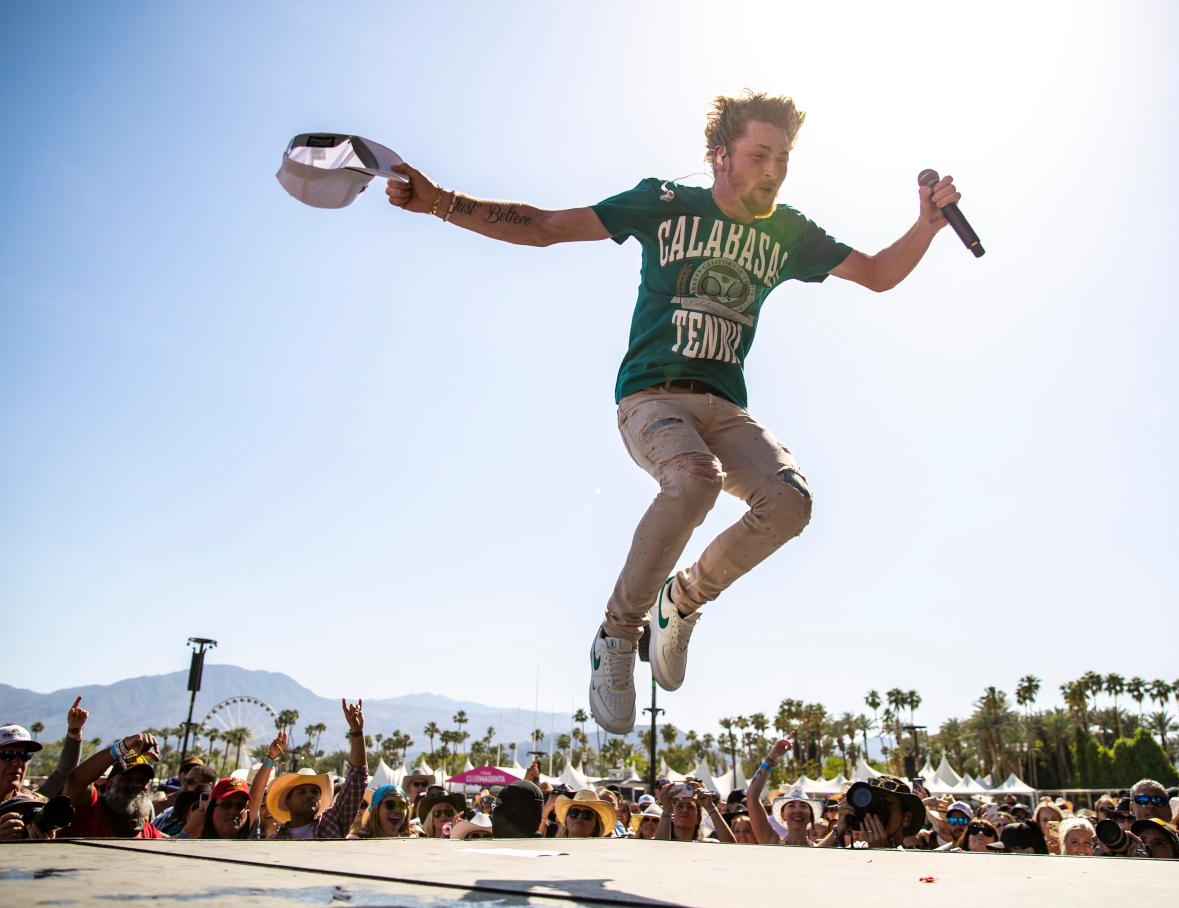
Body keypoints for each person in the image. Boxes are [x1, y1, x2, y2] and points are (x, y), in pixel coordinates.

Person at [384, 92, 964, 734]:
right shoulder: (665, 204)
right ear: (719, 157)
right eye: (759, 155)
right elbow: (544, 227)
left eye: (784, 158)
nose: (773, 170)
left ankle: (681, 602)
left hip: (726, 406)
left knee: (791, 504)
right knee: (695, 478)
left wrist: (926, 226)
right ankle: (615, 635)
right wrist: (439, 201)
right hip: (652, 397)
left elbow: (879, 274)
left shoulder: (788, 230)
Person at [265, 699, 368, 840]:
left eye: (315, 791)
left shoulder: (332, 822)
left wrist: (357, 732)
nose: (310, 795)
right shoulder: (274, 840)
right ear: (287, 801)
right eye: (302, 792)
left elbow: (357, 779)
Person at [61, 730, 164, 839]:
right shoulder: (91, 809)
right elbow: (76, 780)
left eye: (142, 781)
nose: (136, 785)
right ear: (109, 785)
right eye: (129, 778)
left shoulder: (149, 831)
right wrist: (123, 746)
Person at [155, 763, 218, 837]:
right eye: (183, 782)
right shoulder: (168, 811)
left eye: (190, 782)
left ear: (208, 786)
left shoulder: (214, 817)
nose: (183, 787)